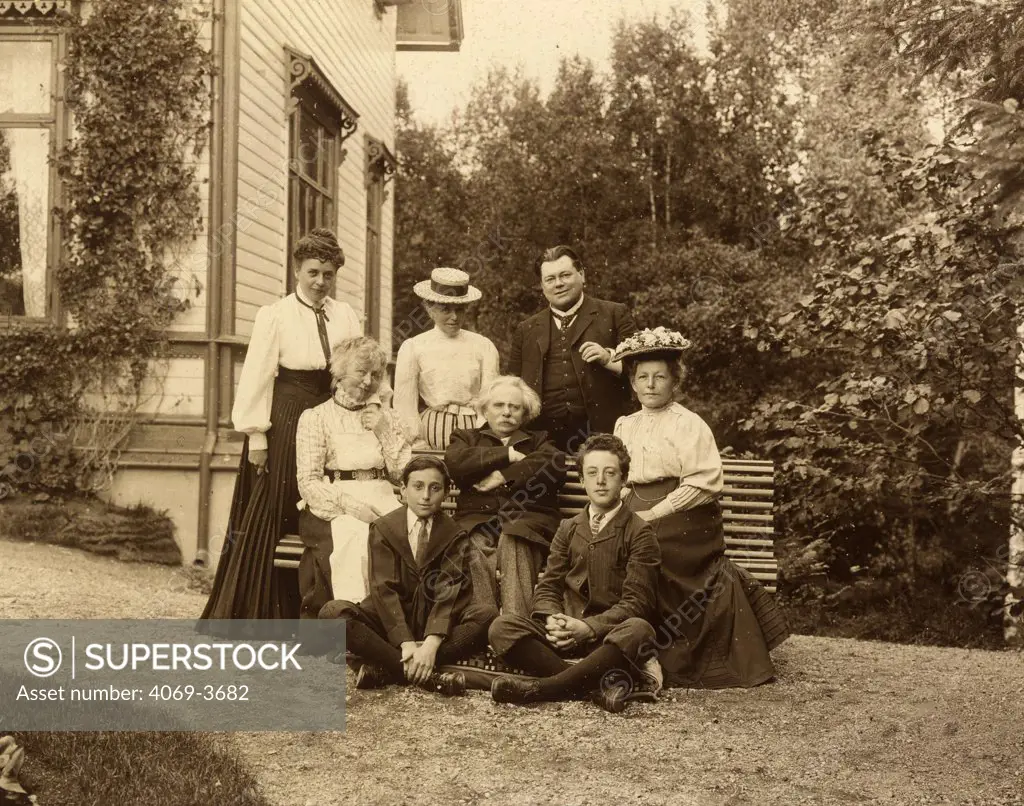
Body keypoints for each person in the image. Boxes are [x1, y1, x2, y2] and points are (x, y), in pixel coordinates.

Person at [612, 327, 789, 688]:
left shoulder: (688, 424)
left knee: (647, 547)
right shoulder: (625, 425)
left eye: (659, 376)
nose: (650, 384)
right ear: (632, 383)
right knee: (607, 545)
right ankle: (622, 647)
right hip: (637, 506)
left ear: (675, 380)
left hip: (685, 518)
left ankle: (669, 656)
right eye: (642, 377)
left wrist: (654, 514)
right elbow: (622, 477)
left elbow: (704, 484)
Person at [200, 228, 360, 623]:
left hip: (333, 417)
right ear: (296, 273)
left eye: (328, 274)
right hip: (286, 418)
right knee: (277, 510)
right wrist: (257, 435)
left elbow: (359, 368)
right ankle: (259, 613)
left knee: (323, 509)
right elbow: (257, 375)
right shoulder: (275, 315)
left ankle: (315, 609)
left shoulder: (345, 315)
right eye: (313, 273)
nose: (321, 281)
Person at [488, 434, 660, 714]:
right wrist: (552, 619)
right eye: (592, 473)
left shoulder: (639, 532)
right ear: (582, 480)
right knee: (501, 627)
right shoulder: (568, 527)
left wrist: (589, 628)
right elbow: (548, 586)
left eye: (610, 473)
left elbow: (637, 603)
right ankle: (596, 687)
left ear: (624, 481)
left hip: (608, 639)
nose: (600, 481)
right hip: (566, 632)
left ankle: (541, 689)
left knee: (640, 629)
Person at [319, 455, 498, 696]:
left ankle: (394, 668)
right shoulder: (384, 527)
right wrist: (405, 641)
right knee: (332, 613)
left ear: (445, 493)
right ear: (402, 490)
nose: (425, 496)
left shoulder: (454, 534)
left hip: (435, 620)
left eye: (435, 488)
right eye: (418, 486)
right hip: (392, 620)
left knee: (486, 615)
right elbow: (383, 588)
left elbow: (448, 589)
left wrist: (432, 643)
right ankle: (423, 673)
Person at [294, 336, 412, 617]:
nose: (368, 381)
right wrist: (353, 507)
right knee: (356, 537)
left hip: (383, 496)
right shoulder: (316, 417)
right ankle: (352, 623)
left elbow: (403, 475)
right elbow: (308, 481)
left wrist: (383, 430)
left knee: (405, 536)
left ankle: (393, 630)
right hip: (336, 503)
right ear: (340, 372)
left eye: (376, 374)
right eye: (361, 372)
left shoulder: (388, 417)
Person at [444, 375, 566, 617]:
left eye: (515, 407)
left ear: (525, 414)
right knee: (473, 546)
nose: (507, 412)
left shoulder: (539, 440)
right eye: (499, 405)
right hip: (477, 523)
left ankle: (515, 628)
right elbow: (456, 462)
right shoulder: (466, 438)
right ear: (485, 409)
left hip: (526, 523)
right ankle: (483, 626)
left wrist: (503, 475)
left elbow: (554, 464)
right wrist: (508, 454)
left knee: (514, 540)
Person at [508, 245, 638, 454]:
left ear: (582, 275)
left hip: (604, 434)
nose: (558, 284)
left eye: (565, 275)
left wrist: (608, 359)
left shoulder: (615, 313)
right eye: (550, 279)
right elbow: (511, 384)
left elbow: (640, 370)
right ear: (542, 286)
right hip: (542, 440)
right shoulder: (526, 329)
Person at [393, 267, 499, 449]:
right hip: (430, 433)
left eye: (460, 309)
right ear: (429, 309)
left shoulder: (483, 346)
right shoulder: (414, 347)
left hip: (473, 432)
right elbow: (404, 404)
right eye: (445, 310)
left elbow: (490, 398)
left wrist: (483, 435)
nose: (454, 317)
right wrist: (415, 440)